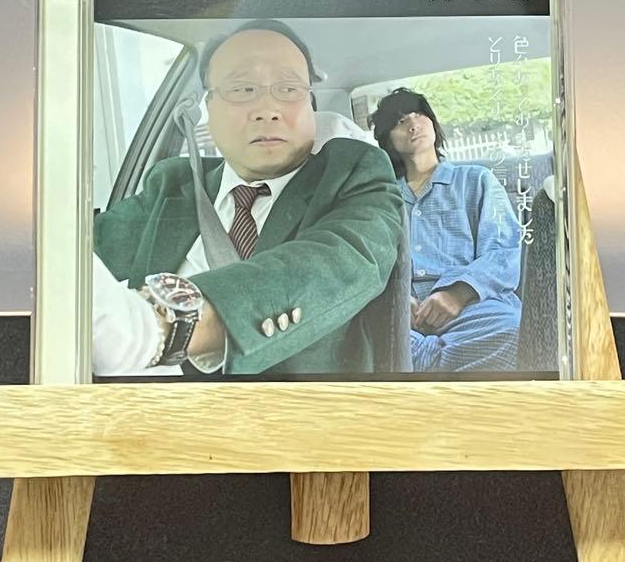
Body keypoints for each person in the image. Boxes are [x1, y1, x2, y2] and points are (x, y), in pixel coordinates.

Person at [93, 20, 404, 377]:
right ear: (209, 107)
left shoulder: (352, 173)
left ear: (310, 104)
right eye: (242, 89)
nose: (267, 109)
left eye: (288, 89)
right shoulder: (172, 184)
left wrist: (156, 328)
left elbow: (347, 258)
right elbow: (82, 254)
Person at [369, 87, 522, 373]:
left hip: (474, 308)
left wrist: (457, 294)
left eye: (419, 115)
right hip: (403, 317)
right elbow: (370, 262)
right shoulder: (380, 198)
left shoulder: (476, 179)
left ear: (433, 123)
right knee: (360, 344)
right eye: (400, 121)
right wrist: (397, 300)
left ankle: (425, 364)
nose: (413, 124)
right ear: (387, 140)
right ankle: (444, 361)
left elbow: (504, 250)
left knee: (514, 332)